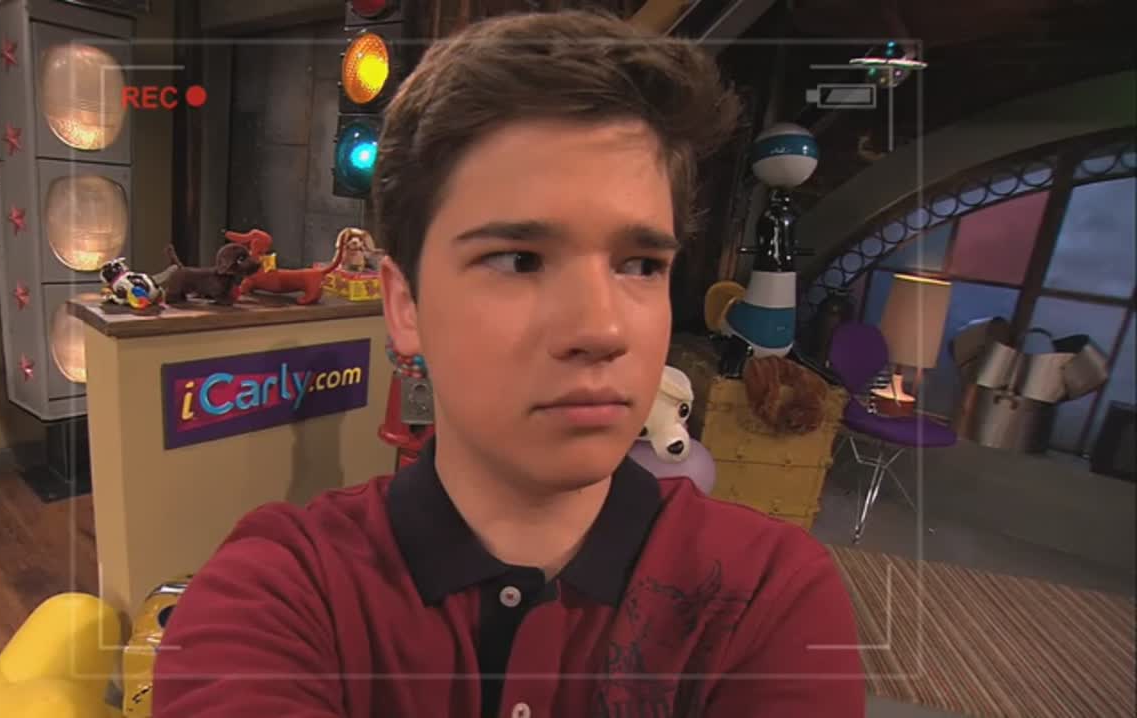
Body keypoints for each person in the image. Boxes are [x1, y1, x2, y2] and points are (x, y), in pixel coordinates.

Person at [152, 9, 865, 717]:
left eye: (640, 264)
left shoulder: (765, 599)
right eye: (519, 260)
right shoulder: (275, 595)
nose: (602, 329)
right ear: (405, 306)